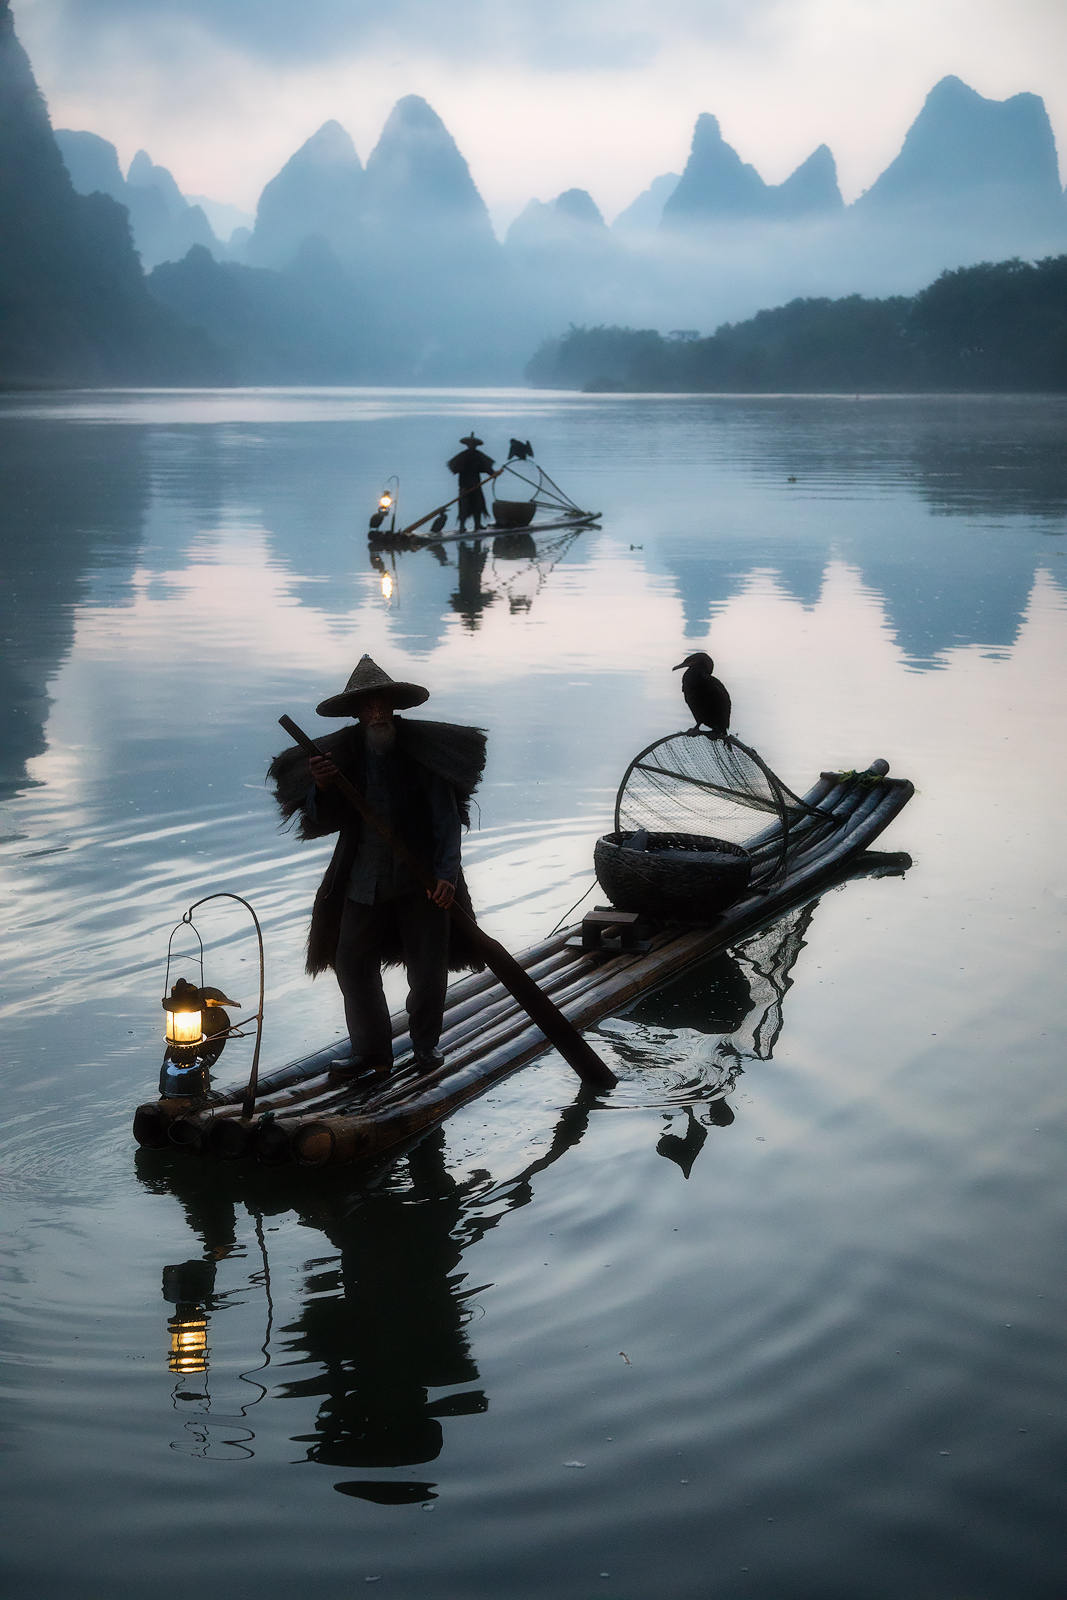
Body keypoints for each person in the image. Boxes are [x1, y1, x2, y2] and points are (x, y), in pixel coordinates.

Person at [268, 656, 487, 1080]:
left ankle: (425, 1046)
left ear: (395, 706)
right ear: (357, 714)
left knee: (428, 969)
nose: (378, 714)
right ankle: (373, 1053)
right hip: (362, 881)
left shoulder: (420, 754)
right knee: (350, 963)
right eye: (369, 708)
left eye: (383, 705)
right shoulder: (341, 755)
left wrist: (445, 876)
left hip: (421, 881)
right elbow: (324, 817)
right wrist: (323, 785)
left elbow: (445, 820)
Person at [447, 433, 496, 533]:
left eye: (473, 444)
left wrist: (493, 473)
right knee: (464, 507)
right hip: (465, 486)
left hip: (476, 485)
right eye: (470, 444)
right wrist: (463, 487)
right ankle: (462, 526)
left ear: (476, 445)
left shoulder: (478, 456)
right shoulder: (463, 457)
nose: (471, 446)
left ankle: (477, 525)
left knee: (477, 505)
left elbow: (486, 468)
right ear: (467, 445)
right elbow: (456, 469)